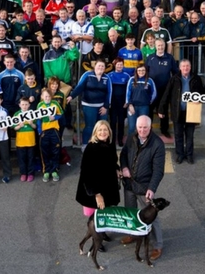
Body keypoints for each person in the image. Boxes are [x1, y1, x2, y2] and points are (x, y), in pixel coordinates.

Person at [119, 115, 165, 261]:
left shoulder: (157, 144)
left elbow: (158, 170)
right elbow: (123, 155)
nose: (142, 130)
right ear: (136, 127)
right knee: (131, 212)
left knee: (152, 217)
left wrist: (152, 188)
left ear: (150, 127)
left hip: (145, 187)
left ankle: (158, 245)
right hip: (129, 184)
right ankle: (133, 234)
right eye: (140, 127)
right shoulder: (132, 138)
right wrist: (124, 167)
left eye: (145, 127)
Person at [75, 120, 121, 251]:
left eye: (105, 130)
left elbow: (112, 161)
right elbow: (86, 174)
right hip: (94, 189)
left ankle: (102, 233)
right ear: (95, 132)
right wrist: (97, 194)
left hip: (108, 186)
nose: (103, 132)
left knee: (103, 214)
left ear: (109, 132)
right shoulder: (91, 148)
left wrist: (116, 168)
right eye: (100, 130)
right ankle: (97, 241)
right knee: (95, 218)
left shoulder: (110, 143)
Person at [158, 59, 204, 164]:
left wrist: (199, 99)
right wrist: (161, 109)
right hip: (178, 111)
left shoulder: (196, 79)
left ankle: (189, 155)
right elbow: (167, 94)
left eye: (187, 66)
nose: (185, 68)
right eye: (183, 66)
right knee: (178, 135)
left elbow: (202, 93)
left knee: (190, 135)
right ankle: (179, 154)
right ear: (180, 67)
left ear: (190, 67)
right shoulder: (174, 79)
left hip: (191, 111)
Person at [67, 60, 112, 150]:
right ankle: (85, 145)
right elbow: (79, 87)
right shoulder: (87, 75)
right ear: (94, 67)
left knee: (102, 127)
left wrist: (106, 107)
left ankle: (101, 146)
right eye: (99, 66)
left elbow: (109, 93)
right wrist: (71, 96)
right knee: (89, 126)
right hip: (89, 106)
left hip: (102, 107)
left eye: (103, 66)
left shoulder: (107, 78)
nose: (101, 68)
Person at [145, 38, 178, 138]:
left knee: (163, 111)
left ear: (164, 46)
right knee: (149, 110)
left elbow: (175, 72)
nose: (160, 47)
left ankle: (164, 130)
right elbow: (145, 72)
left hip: (165, 89)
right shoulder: (150, 58)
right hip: (152, 90)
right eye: (158, 45)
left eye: (162, 45)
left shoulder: (170, 58)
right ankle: (148, 130)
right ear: (155, 46)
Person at [37, 88, 63, 182]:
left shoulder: (55, 104)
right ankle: (46, 170)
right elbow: (38, 119)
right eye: (45, 96)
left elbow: (61, 113)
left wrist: (55, 117)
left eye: (49, 96)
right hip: (44, 131)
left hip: (54, 130)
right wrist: (40, 131)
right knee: (45, 151)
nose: (47, 98)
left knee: (55, 150)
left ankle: (54, 170)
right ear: (42, 97)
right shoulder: (40, 105)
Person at [126, 66, 157, 136]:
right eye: (139, 70)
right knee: (132, 127)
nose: (141, 72)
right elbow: (128, 93)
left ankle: (143, 145)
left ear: (146, 71)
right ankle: (131, 145)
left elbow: (154, 93)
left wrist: (148, 101)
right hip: (132, 107)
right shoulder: (131, 80)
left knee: (143, 127)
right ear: (136, 71)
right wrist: (130, 104)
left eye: (143, 70)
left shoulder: (149, 80)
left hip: (144, 107)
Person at [107, 58, 131, 146]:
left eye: (121, 64)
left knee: (121, 122)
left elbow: (128, 90)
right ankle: (112, 140)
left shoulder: (126, 76)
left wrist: (127, 101)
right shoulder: (109, 75)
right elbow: (108, 90)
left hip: (122, 103)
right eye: (118, 64)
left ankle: (120, 139)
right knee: (112, 122)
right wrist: (108, 102)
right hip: (113, 102)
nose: (119, 66)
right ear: (114, 65)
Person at [14, 97, 37, 182]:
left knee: (31, 157)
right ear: (19, 105)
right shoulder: (16, 114)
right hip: (20, 141)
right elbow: (14, 128)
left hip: (30, 139)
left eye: (26, 104)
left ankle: (30, 173)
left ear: (29, 105)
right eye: (22, 104)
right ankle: (23, 173)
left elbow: (35, 127)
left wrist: (31, 123)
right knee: (22, 158)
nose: (24, 106)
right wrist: (19, 126)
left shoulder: (32, 114)